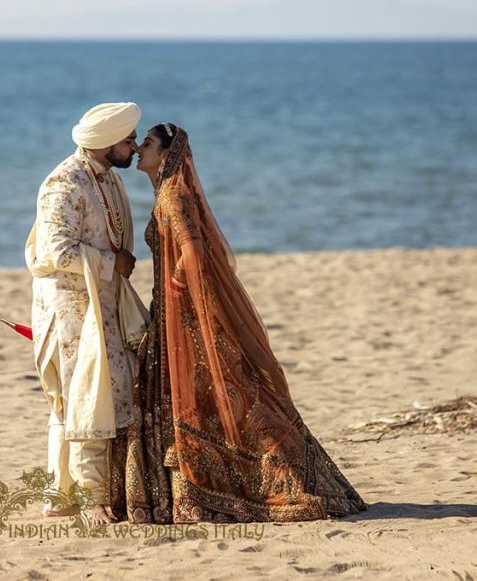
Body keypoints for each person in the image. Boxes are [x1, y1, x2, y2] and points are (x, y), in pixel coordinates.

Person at [112, 123, 367, 523]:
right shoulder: (165, 193)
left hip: (182, 312)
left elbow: (193, 253)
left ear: (165, 154)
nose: (140, 149)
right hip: (170, 311)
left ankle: (258, 480)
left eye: (147, 143)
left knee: (219, 390)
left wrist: (176, 290)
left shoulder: (174, 197)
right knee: (206, 392)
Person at [25, 102, 148, 526]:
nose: (134, 146)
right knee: (85, 398)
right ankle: (90, 500)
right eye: (129, 140)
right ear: (106, 141)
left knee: (87, 397)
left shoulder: (107, 178)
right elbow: (57, 252)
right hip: (72, 307)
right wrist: (113, 264)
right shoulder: (65, 183)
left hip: (102, 302)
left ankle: (60, 496)